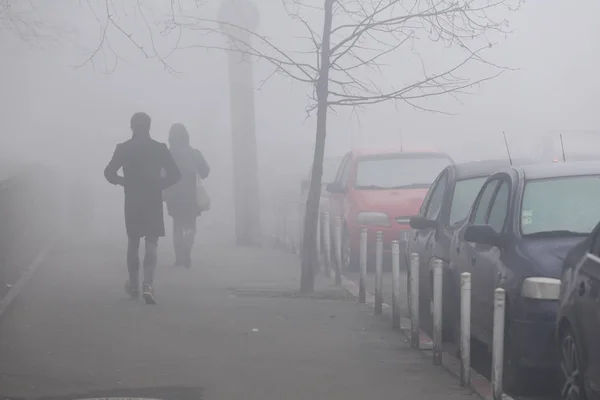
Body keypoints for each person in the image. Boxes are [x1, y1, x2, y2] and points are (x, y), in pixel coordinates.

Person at [104, 112, 181, 304]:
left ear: (132, 127)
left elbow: (109, 173)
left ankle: (134, 285)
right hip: (152, 199)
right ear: (149, 127)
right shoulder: (159, 149)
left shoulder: (124, 148)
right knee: (152, 242)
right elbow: (175, 174)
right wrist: (159, 185)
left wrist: (124, 182)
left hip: (132, 200)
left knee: (133, 242)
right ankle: (148, 285)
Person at [164, 123, 210, 268]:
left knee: (177, 225)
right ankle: (186, 253)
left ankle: (178, 258)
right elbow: (205, 172)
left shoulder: (167, 154)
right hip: (191, 195)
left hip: (173, 195)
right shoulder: (194, 153)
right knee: (190, 226)